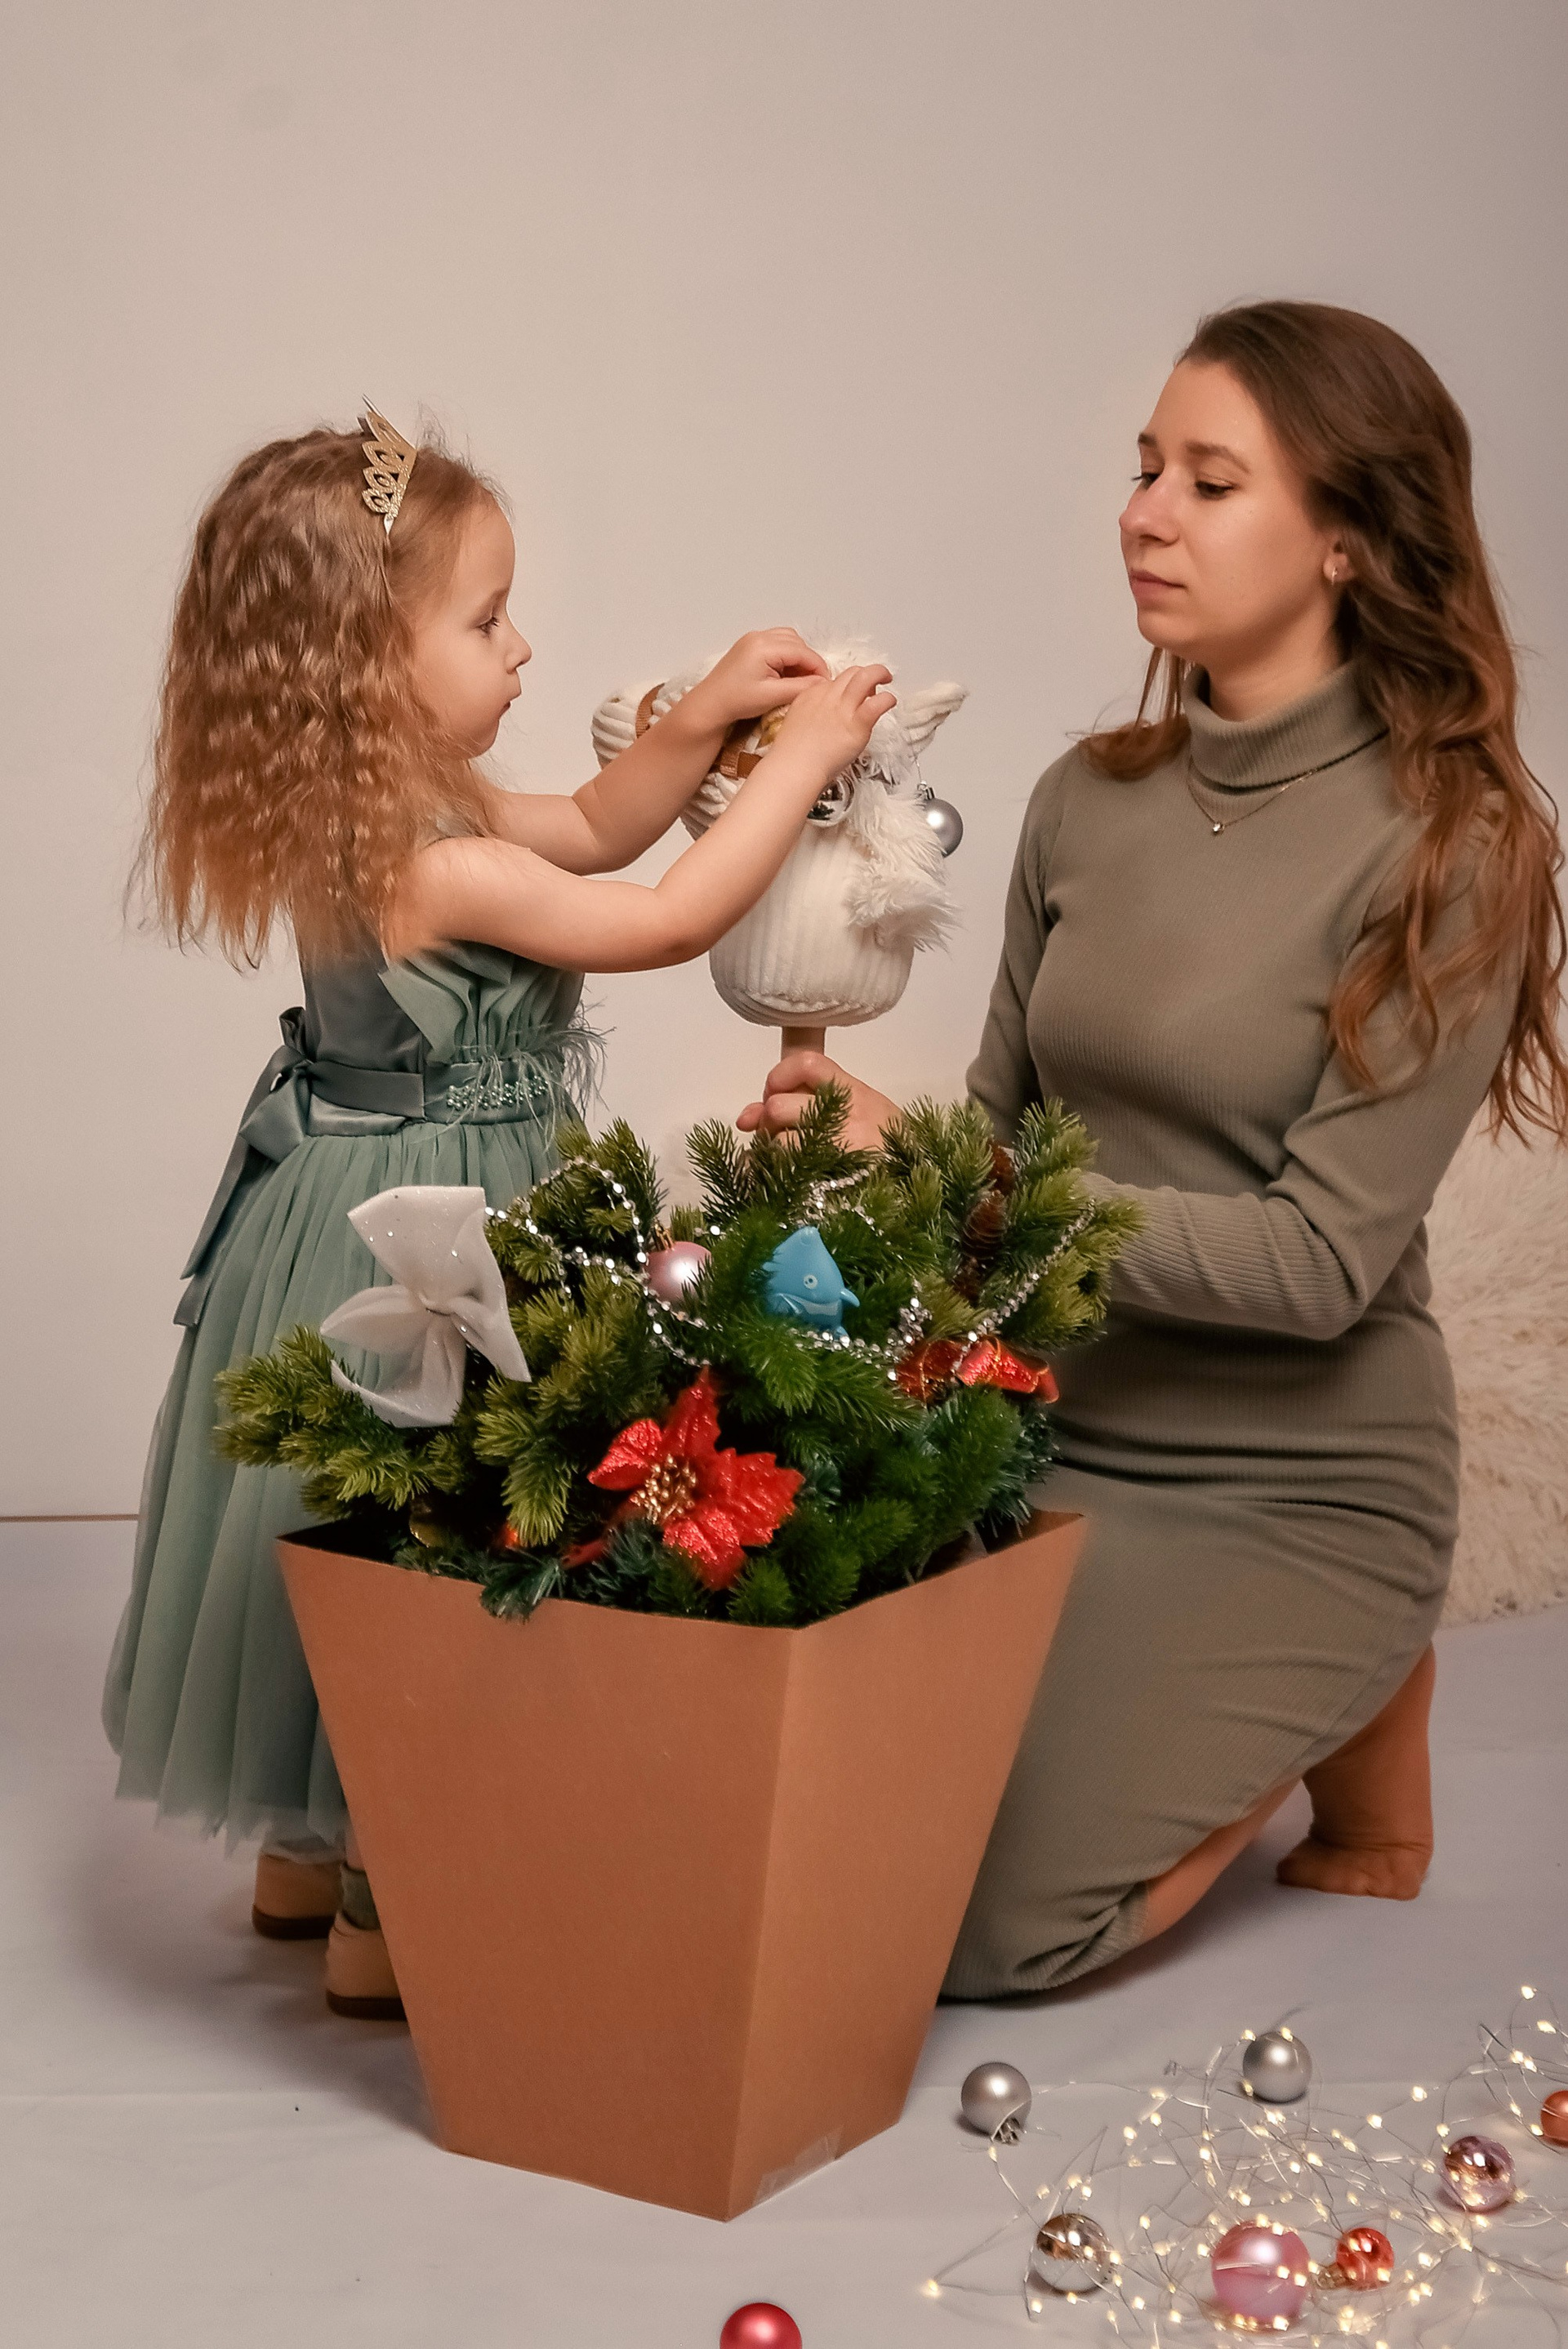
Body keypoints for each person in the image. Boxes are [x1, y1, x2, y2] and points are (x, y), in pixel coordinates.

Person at [739, 301, 1568, 1995]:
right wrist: (852, 1165)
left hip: (1293, 1479)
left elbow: (1319, 1266)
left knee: (959, 1927)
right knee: (788, 1819)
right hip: (1037, 1434)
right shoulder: (1087, 798)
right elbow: (995, 1136)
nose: (1146, 515)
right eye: (1144, 471)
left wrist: (958, 1183)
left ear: (1346, 538)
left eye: (1210, 480)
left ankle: (1352, 1682)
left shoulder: (1457, 845)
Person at [105, 409, 894, 2015]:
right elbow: (661, 915)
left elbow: (599, 823)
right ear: (364, 666)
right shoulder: (435, 862)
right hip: (437, 1232)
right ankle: (384, 1897)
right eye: (484, 621)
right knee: (433, 1522)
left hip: (339, 1198)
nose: (522, 646)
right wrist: (807, 760)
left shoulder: (394, 807)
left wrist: (701, 718)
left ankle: (301, 1853)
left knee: (334, 1510)